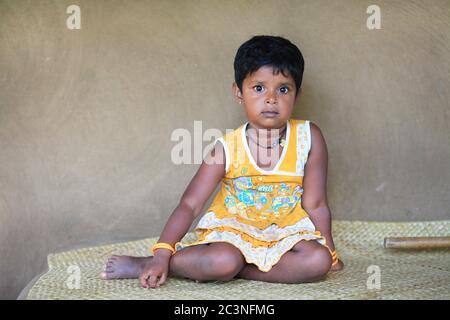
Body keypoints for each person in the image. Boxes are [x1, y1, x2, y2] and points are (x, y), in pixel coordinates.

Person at [100, 35, 344, 289]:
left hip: (284, 234)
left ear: (297, 94)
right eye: (258, 88)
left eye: (283, 89)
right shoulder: (227, 147)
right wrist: (162, 253)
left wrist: (332, 255)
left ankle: (241, 270)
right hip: (234, 235)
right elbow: (191, 204)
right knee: (223, 260)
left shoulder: (309, 137)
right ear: (239, 92)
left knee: (318, 261)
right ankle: (149, 263)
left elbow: (316, 203)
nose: (271, 98)